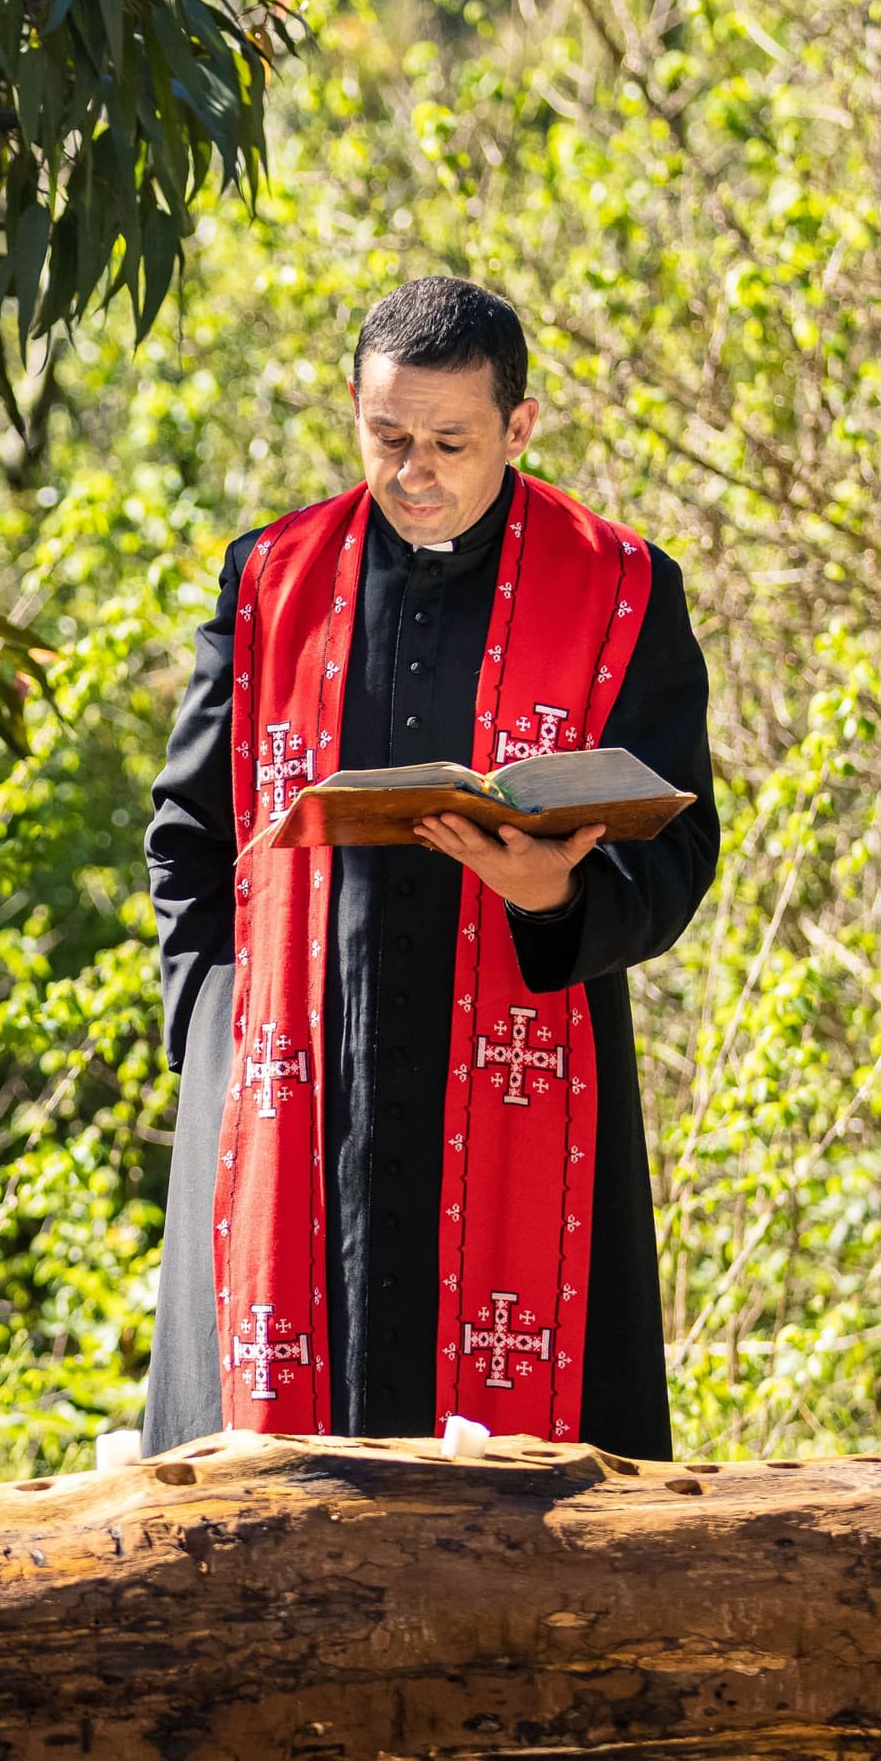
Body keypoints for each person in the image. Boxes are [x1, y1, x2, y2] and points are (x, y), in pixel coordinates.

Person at [141, 278, 719, 1457]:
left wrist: (557, 896)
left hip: (524, 1081)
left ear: (520, 425)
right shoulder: (267, 583)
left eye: (449, 442)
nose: (413, 471)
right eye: (386, 436)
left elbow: (684, 840)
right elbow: (187, 839)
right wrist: (216, 1041)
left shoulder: (621, 587)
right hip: (293, 1096)